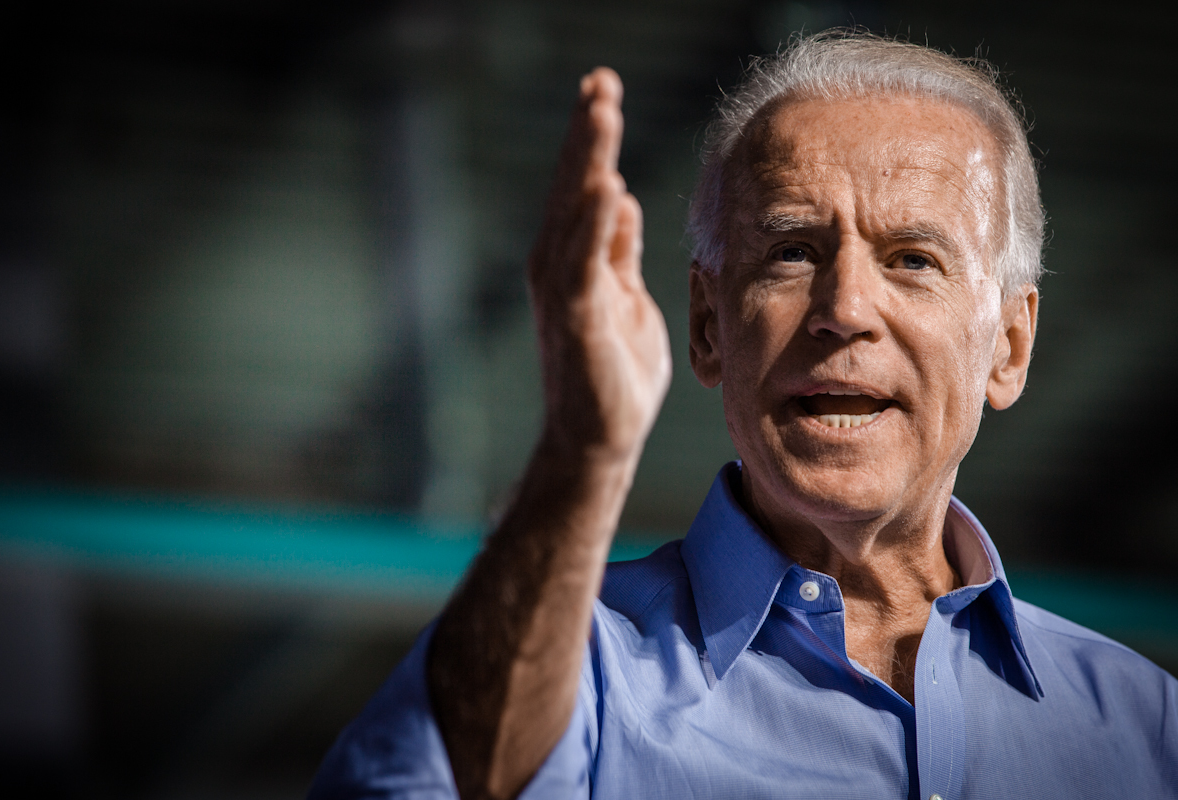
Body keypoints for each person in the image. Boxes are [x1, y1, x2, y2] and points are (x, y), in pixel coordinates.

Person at [308, 32, 1177, 800]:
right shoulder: (570, 670)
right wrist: (585, 446)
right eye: (792, 251)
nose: (844, 307)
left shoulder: (1150, 734)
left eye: (913, 259)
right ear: (707, 325)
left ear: (1009, 349)